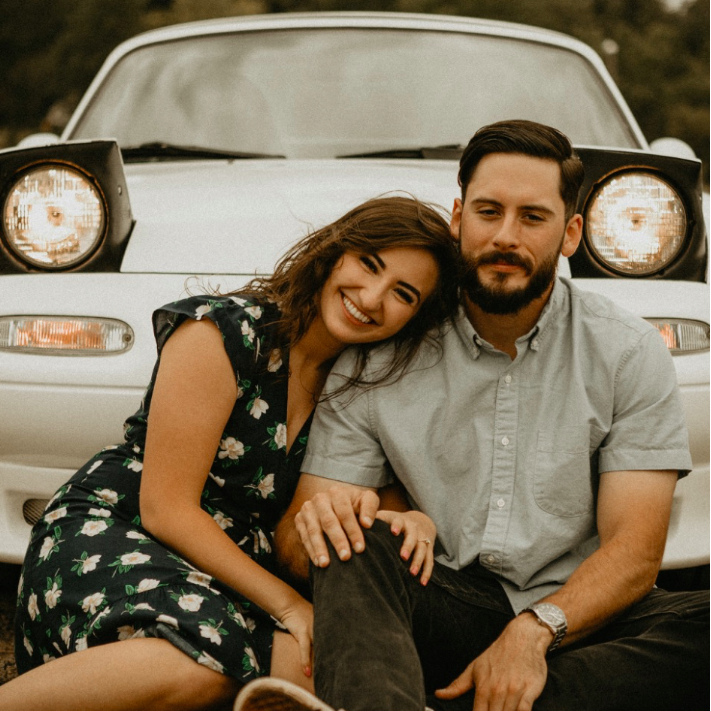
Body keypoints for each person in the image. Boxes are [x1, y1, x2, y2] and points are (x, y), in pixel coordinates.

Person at [241, 120, 709, 711]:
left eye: (532, 218)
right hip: (438, 601)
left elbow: (635, 554)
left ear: (570, 234)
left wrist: (533, 632)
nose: (505, 236)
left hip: (577, 618)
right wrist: (325, 524)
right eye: (489, 212)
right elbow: (295, 539)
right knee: (354, 542)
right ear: (459, 218)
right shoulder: (380, 355)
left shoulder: (626, 352)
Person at [3, 195, 459, 711]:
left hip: (231, 577)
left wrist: (416, 520)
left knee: (319, 674)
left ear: (416, 318)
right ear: (335, 253)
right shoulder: (224, 332)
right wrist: (290, 606)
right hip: (121, 530)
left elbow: (373, 501)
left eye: (403, 293)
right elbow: (166, 509)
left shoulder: (367, 385)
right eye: (369, 264)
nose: (372, 298)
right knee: (204, 660)